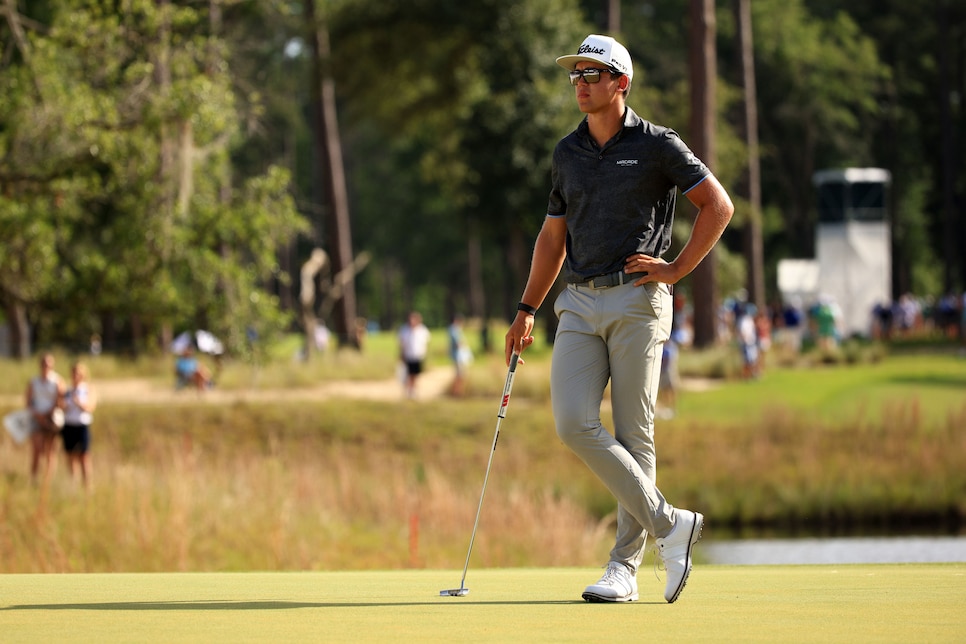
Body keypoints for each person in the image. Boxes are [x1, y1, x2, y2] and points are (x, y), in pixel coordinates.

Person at [504, 34, 734, 604]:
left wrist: (677, 269)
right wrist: (527, 307)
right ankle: (670, 524)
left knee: (636, 434)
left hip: (638, 298)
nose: (580, 83)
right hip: (578, 303)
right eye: (575, 75)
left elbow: (718, 206)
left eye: (592, 74)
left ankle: (623, 569)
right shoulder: (567, 153)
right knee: (572, 422)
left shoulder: (658, 145)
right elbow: (553, 236)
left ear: (620, 83)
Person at [26, 352, 66, 485]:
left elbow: (61, 400)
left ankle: (48, 480)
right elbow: (28, 401)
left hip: (52, 419)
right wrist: (38, 415)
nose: (46, 367)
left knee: (50, 450)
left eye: (48, 364)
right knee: (37, 449)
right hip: (37, 419)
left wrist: (48, 413)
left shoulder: (57, 381)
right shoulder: (34, 381)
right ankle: (34, 478)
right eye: (44, 364)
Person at [62, 361, 97, 489]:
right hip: (69, 425)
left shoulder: (87, 389)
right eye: (73, 373)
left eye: (78, 373)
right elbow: (61, 406)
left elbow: (90, 407)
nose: (75, 375)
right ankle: (73, 485)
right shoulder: (67, 391)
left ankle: (88, 486)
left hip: (82, 425)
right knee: (70, 456)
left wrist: (78, 402)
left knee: (84, 456)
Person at [398, 311, 430, 399]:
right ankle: (409, 390)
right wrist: (401, 355)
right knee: (408, 374)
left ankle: (412, 390)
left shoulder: (423, 330)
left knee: (415, 375)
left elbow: (426, 344)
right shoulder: (405, 330)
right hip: (408, 356)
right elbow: (402, 344)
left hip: (418, 356)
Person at [447, 314, 472, 396]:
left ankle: (457, 391)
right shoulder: (454, 330)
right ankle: (456, 392)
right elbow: (459, 343)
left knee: (460, 375)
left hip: (458, 356)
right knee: (459, 375)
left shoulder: (455, 329)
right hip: (457, 356)